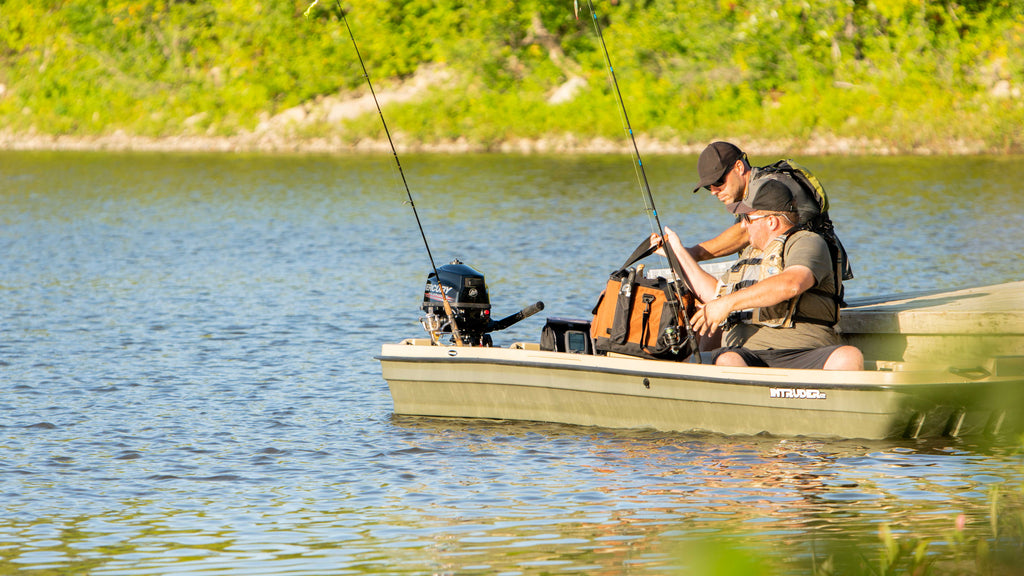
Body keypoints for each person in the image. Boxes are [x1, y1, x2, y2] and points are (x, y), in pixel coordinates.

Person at [654, 174, 863, 370]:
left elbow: (792, 283)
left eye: (748, 219)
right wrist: (678, 253)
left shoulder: (806, 242)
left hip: (804, 352)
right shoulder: (750, 255)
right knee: (727, 359)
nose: (743, 226)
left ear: (771, 221)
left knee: (848, 357)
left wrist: (727, 303)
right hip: (748, 354)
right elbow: (715, 295)